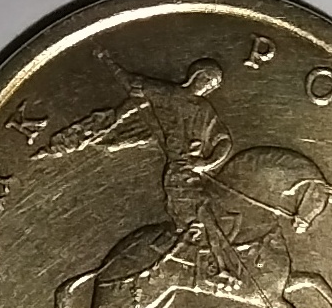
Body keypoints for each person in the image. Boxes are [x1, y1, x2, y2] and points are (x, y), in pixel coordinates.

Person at [96, 48, 242, 283]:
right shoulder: (168, 94)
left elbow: (223, 141)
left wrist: (205, 163)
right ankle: (201, 266)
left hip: (194, 173)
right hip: (178, 175)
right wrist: (110, 62)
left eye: (213, 84)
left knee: (218, 215)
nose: (209, 87)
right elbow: (134, 82)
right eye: (208, 80)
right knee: (203, 218)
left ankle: (213, 263)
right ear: (196, 76)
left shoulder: (204, 109)